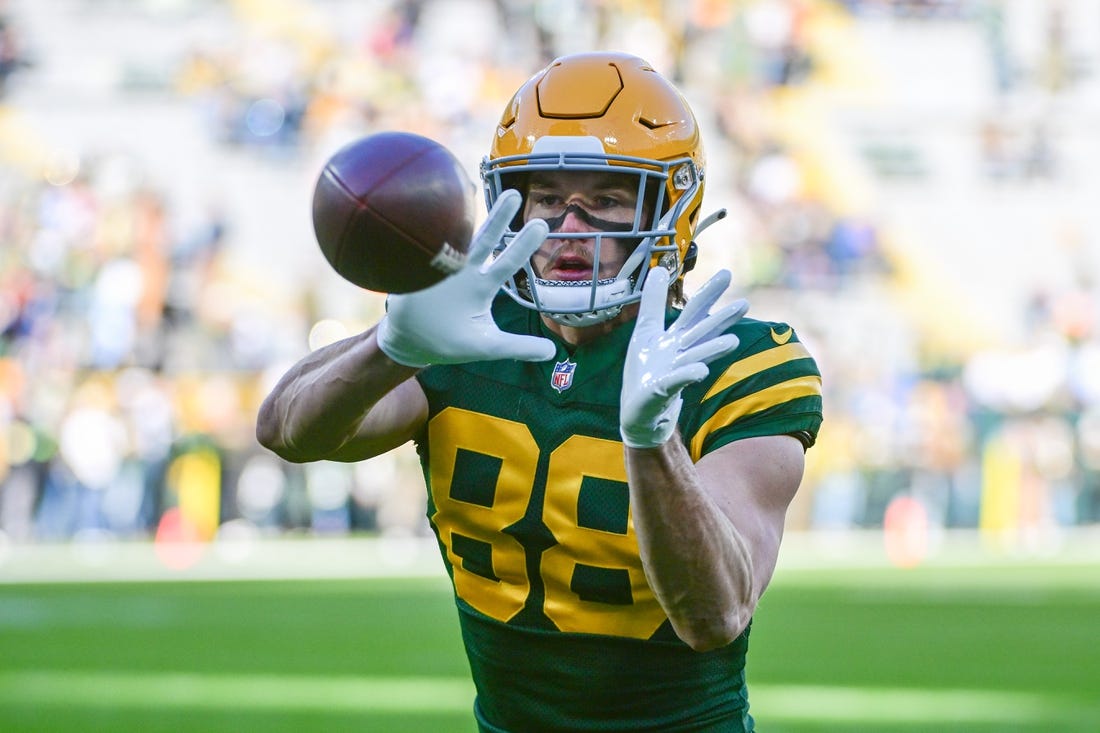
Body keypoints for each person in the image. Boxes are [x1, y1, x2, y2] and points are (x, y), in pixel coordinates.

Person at [257, 51, 823, 733]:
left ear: (671, 208)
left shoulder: (735, 359)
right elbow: (288, 430)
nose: (569, 228)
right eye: (548, 197)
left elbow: (716, 614)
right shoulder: (467, 330)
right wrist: (390, 347)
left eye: (607, 199)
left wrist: (651, 440)